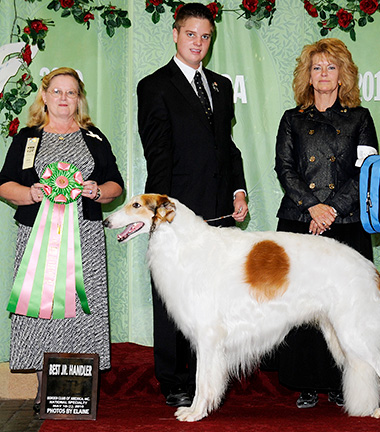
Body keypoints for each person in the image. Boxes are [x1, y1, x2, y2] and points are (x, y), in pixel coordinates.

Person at [136, 2, 248, 408]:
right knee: (175, 300)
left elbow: (227, 147)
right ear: (175, 34)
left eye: (205, 36)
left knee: (216, 300)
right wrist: (162, 215)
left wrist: (238, 189)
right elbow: (158, 155)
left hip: (220, 214)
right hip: (176, 213)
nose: (198, 42)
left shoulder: (221, 85)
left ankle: (210, 379)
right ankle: (175, 379)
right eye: (191, 34)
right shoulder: (154, 86)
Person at [0, 67, 124, 413]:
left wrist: (99, 190)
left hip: (84, 236)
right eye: (57, 92)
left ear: (79, 98)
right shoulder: (27, 138)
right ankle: (44, 389)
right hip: (36, 237)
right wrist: (30, 193)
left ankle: (76, 391)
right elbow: (4, 183)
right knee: (39, 312)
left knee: (82, 312)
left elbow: (116, 184)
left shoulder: (94, 137)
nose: (64, 98)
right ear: (44, 96)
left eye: (71, 92)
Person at [274, 38, 379, 408]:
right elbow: (284, 170)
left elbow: (366, 171)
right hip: (299, 221)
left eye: (330, 67)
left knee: (344, 307)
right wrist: (313, 207)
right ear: (308, 74)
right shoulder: (292, 119)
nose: (323, 74)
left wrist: (331, 208)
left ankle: (339, 381)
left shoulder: (360, 118)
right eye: (316, 67)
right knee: (301, 307)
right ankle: (303, 382)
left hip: (346, 221)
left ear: (342, 75)